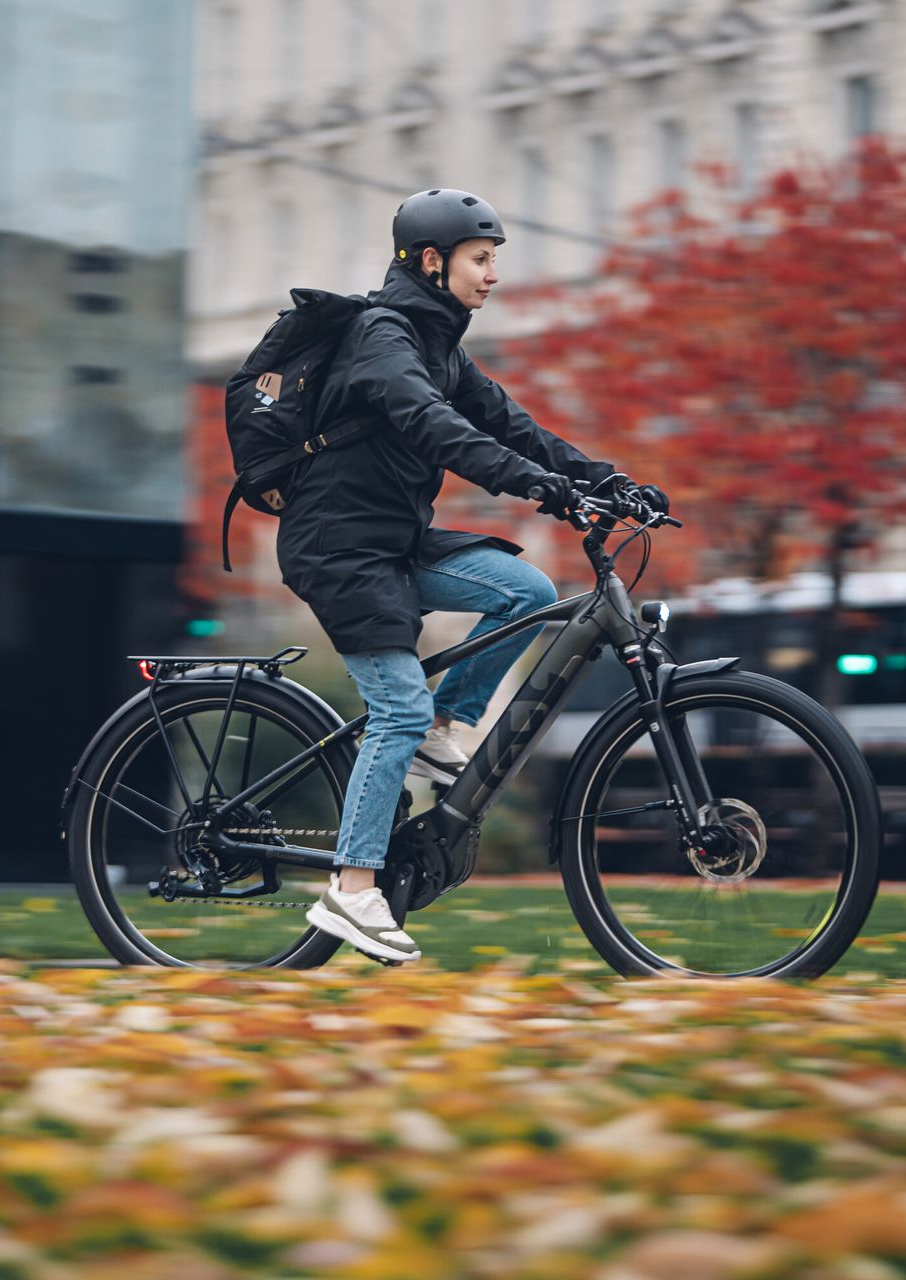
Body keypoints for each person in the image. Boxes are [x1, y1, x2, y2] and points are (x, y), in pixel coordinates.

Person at [280, 187, 667, 963]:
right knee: (393, 707)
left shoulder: (441, 346)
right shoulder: (382, 339)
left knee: (522, 592)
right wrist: (538, 487)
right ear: (432, 262)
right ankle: (353, 893)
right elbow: (436, 426)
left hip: (392, 541)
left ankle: (446, 729)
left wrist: (606, 478)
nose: (493, 275)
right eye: (481, 260)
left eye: (494, 261)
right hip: (341, 549)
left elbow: (507, 420)